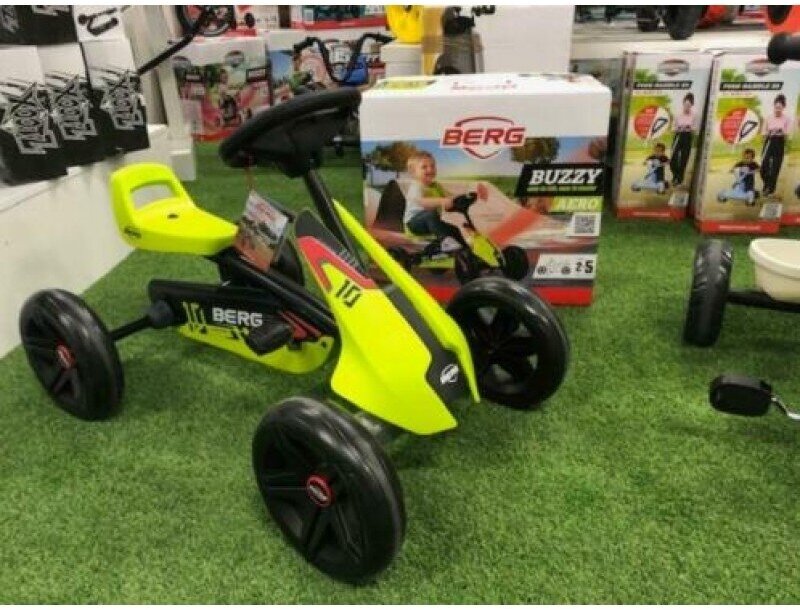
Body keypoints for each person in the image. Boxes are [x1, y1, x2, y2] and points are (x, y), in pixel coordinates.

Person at [403, 151, 468, 254]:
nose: (430, 169)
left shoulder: (436, 186)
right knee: (431, 214)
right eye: (424, 167)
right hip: (415, 223)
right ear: (413, 172)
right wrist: (442, 201)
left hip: (433, 221)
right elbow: (422, 202)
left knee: (454, 229)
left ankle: (466, 250)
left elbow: (450, 197)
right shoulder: (416, 186)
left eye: (432, 166)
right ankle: (445, 242)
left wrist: (464, 196)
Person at [760, 93, 791, 196]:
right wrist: (767, 133)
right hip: (769, 141)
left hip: (779, 142)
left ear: (783, 108)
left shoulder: (787, 119)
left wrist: (781, 131)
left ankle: (770, 189)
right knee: (763, 166)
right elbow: (763, 132)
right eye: (776, 107)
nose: (777, 110)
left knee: (775, 167)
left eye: (780, 108)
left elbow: (787, 133)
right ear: (774, 106)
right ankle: (767, 184)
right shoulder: (768, 118)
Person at [670, 92, 696, 186]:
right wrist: (678, 128)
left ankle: (679, 179)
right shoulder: (678, 114)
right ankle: (675, 175)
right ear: (683, 103)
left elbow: (695, 128)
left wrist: (689, 127)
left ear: (691, 105)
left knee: (684, 159)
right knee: (673, 157)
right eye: (685, 105)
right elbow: (673, 128)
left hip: (687, 137)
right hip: (678, 136)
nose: (687, 107)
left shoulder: (694, 115)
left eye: (689, 105)